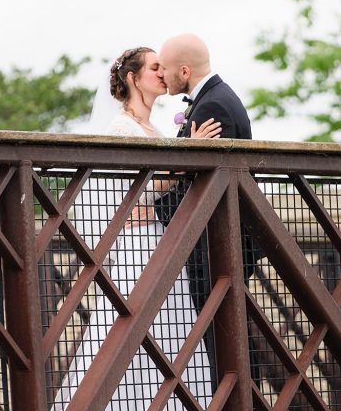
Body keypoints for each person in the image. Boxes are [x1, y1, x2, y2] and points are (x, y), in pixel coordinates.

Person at [53, 46, 220, 410]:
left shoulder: (153, 128)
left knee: (172, 332)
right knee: (134, 332)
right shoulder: (121, 127)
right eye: (155, 68)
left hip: (159, 239)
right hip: (135, 248)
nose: (164, 74)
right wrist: (191, 151)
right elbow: (144, 188)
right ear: (133, 78)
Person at [154, 34, 258, 389]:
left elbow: (204, 186)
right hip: (212, 243)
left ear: (184, 69)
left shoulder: (214, 106)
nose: (163, 75)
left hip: (214, 245)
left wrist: (157, 207)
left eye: (166, 68)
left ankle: (238, 398)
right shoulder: (213, 100)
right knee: (224, 337)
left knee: (224, 341)